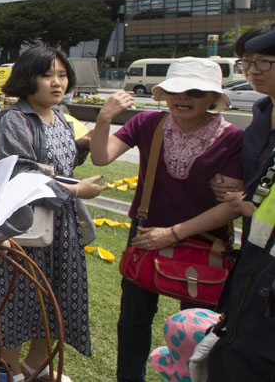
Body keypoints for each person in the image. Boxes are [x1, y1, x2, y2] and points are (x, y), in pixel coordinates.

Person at [89, 57, 245, 382]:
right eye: (175, 90)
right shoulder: (148, 123)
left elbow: (232, 205)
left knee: (200, 328)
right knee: (133, 320)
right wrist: (104, 118)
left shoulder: (232, 139)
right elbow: (102, 157)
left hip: (204, 241)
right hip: (146, 232)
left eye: (196, 92)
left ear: (214, 99)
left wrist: (173, 234)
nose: (183, 98)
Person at [0, 46, 106, 382]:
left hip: (62, 229)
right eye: (47, 75)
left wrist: (81, 148)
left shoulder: (62, 118)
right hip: (26, 228)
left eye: (62, 75)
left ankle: (36, 368)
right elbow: (22, 175)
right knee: (16, 303)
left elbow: (58, 165)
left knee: (56, 302)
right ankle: (6, 372)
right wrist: (75, 191)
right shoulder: (14, 120)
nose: (57, 83)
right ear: (28, 78)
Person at [206, 23, 275, 382]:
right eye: (247, 61)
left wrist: (255, 208)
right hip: (252, 262)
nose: (253, 71)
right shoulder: (262, 114)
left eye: (265, 61)